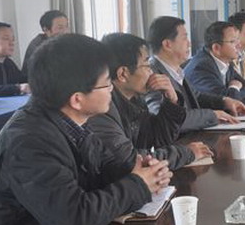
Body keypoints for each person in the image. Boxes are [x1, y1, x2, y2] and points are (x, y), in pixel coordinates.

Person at [0, 34, 171, 225]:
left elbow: (99, 170)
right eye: (106, 84)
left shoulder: (72, 121)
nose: (112, 89)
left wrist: (140, 171)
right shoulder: (28, 142)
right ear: (77, 99)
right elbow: (73, 217)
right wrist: (138, 184)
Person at [88, 33, 212, 170]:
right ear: (123, 74)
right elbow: (131, 161)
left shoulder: (136, 99)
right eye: (147, 66)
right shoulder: (101, 109)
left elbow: (157, 140)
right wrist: (187, 153)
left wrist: (171, 102)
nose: (152, 73)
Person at [145, 16, 245, 132]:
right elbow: (164, 119)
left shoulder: (176, 70)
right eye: (184, 38)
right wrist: (213, 115)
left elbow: (196, 97)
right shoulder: (152, 75)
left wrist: (224, 101)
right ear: (167, 44)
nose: (189, 43)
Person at [184, 21, 245, 106]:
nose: (239, 45)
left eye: (237, 40)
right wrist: (234, 87)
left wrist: (233, 91)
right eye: (232, 41)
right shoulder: (201, 67)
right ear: (216, 48)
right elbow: (226, 102)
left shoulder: (225, 60)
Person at [22, 10, 70, 77]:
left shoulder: (63, 43)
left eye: (66, 27)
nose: (65, 31)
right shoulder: (38, 47)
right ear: (46, 30)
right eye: (60, 28)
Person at [0, 22, 29, 97]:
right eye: (6, 38)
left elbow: (22, 79)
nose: (11, 43)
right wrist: (18, 88)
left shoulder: (8, 63)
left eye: (13, 39)